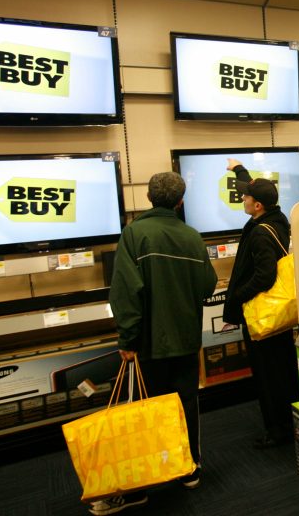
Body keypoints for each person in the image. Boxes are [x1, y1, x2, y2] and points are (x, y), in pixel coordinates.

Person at [91, 172, 218, 515]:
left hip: (148, 344)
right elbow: (208, 285)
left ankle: (139, 490)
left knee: (143, 413)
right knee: (185, 405)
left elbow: (126, 292)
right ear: (181, 201)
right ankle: (189, 470)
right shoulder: (192, 236)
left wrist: (128, 338)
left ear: (148, 197)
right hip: (186, 339)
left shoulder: (135, 234)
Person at [222, 158, 299, 449]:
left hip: (262, 314)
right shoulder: (277, 219)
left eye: (246, 197)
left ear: (257, 206)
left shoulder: (259, 233)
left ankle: (278, 430)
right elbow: (255, 187)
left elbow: (265, 276)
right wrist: (239, 169)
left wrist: (239, 295)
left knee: (268, 375)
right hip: (277, 313)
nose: (242, 199)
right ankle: (288, 422)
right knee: (281, 369)